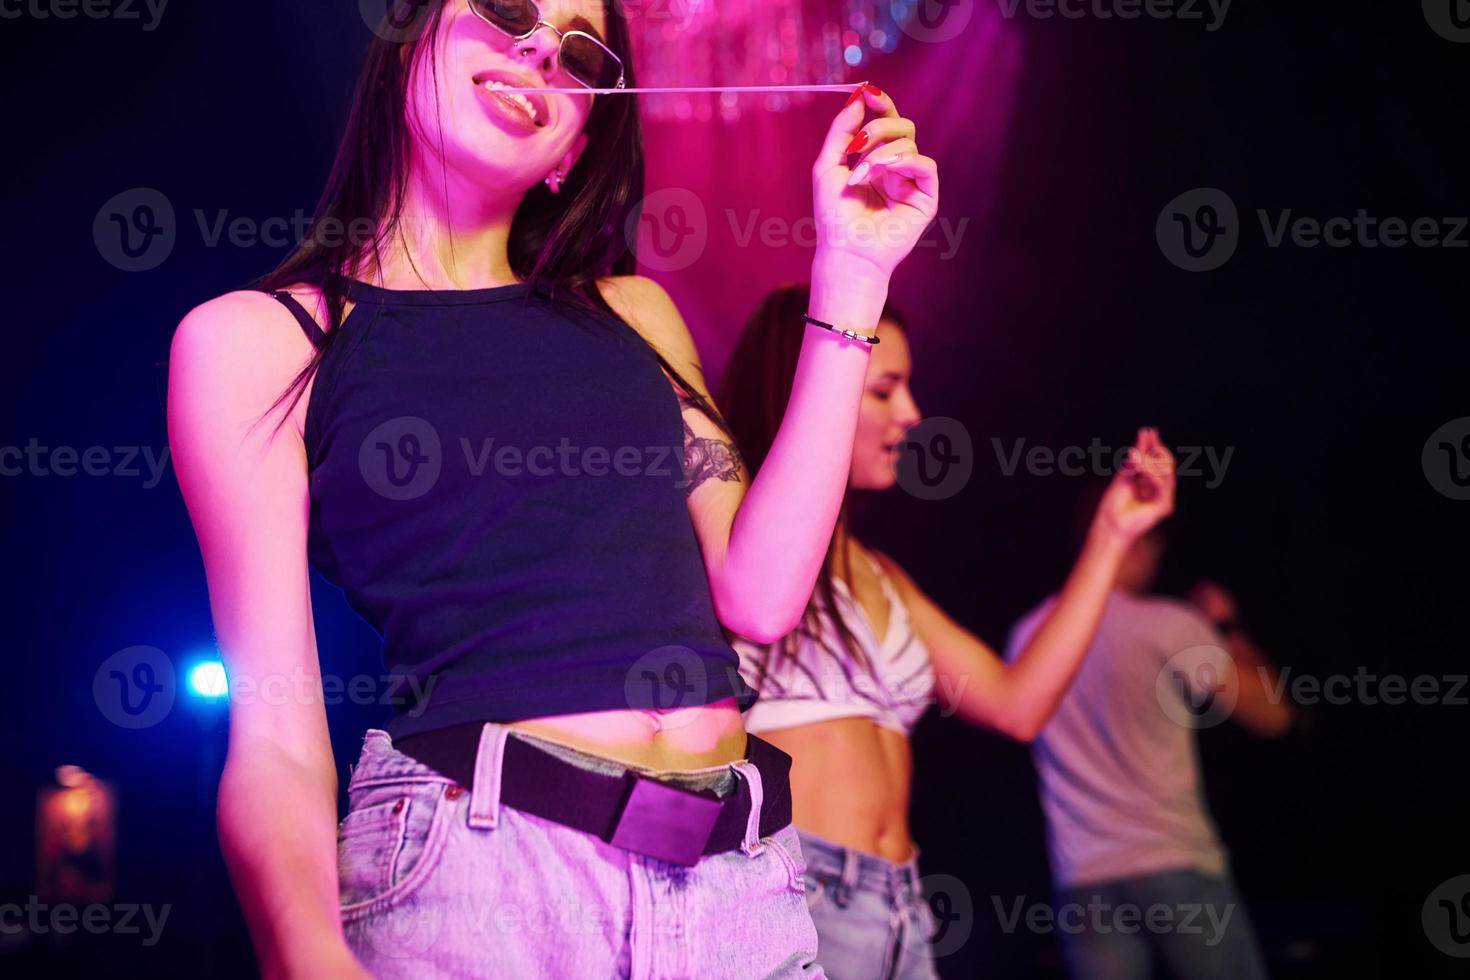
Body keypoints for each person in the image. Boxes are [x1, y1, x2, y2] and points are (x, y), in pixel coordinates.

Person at [165, 2, 939, 976]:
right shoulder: (263, 341)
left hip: (744, 886)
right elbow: (275, 728)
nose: (538, 47)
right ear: (407, 43)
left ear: (575, 142)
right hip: (481, 882)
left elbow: (762, 591)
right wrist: (307, 951)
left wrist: (852, 275)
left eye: (580, 51)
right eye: (505, 8)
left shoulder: (635, 315)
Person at [716, 284, 1177, 979]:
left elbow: (1018, 705)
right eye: (885, 391)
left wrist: (1111, 537)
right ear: (813, 385)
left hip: (902, 904)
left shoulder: (882, 575)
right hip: (795, 890)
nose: (912, 414)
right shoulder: (736, 544)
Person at [1005, 487, 1292, 980]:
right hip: (1175, 862)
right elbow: (1273, 716)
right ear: (1138, 540)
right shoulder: (1166, 625)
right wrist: (1228, 625)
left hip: (1086, 880)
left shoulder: (1028, 635)